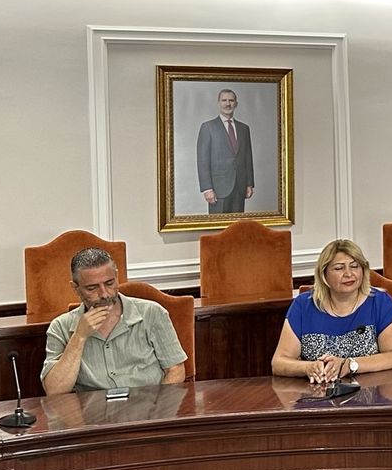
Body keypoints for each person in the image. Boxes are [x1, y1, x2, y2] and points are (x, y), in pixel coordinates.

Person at [41, 248, 187, 394]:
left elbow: (176, 370)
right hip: (92, 414)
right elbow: (55, 391)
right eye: (92, 288)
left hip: (149, 408)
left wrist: (158, 409)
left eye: (109, 283)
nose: (104, 294)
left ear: (116, 276)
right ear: (75, 288)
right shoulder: (60, 327)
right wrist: (79, 336)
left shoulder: (152, 313)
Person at [272, 238, 392, 383]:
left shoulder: (380, 302)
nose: (349, 274)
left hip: (371, 393)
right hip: (317, 395)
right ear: (324, 275)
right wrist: (307, 367)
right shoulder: (303, 306)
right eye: (339, 268)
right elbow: (279, 363)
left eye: (355, 266)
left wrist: (349, 365)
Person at [196, 87, 255, 213]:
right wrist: (207, 189)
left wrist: (249, 183)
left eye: (231, 100)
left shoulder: (244, 129)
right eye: (224, 100)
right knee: (218, 231)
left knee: (237, 229)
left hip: (240, 186)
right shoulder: (208, 127)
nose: (228, 104)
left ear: (236, 104)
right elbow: (202, 161)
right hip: (218, 190)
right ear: (218, 103)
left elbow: (247, 157)